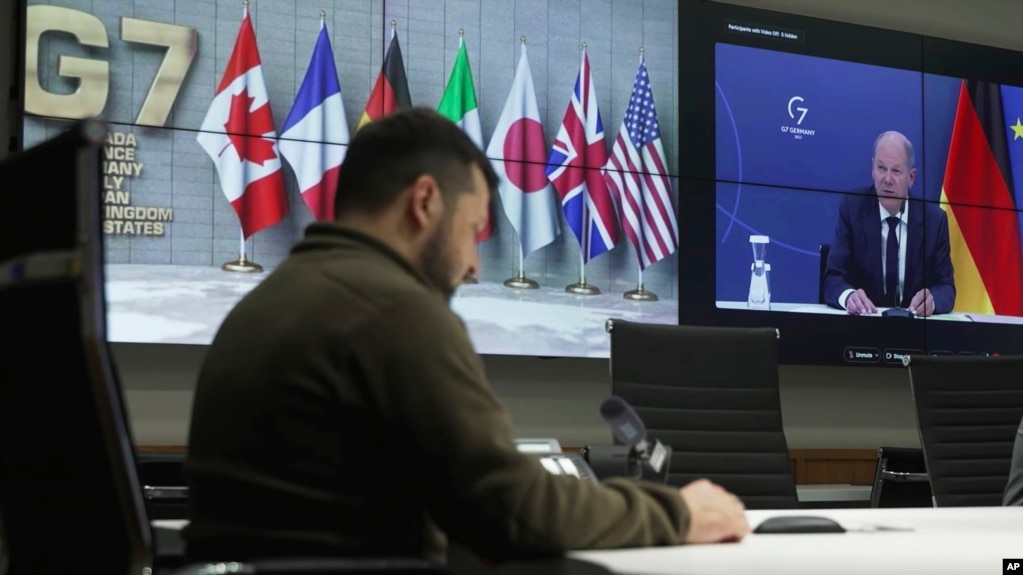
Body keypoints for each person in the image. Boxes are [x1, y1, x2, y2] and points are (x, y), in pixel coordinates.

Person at [182, 108, 750, 564]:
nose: (475, 265)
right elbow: (516, 510)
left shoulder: (277, 300)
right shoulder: (393, 311)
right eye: (474, 230)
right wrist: (675, 513)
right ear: (425, 202)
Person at [823, 131, 955, 316]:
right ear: (872, 170)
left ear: (911, 178)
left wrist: (932, 301)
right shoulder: (853, 208)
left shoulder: (934, 220)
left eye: (896, 171)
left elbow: (946, 288)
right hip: (863, 327)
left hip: (915, 332)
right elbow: (833, 278)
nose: (887, 179)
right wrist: (848, 296)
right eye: (881, 168)